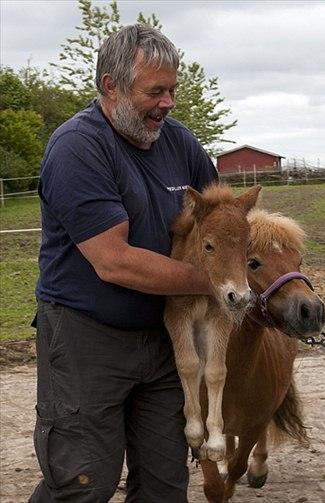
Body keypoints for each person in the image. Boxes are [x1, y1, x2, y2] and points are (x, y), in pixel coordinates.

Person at [30, 24, 218, 502]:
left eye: (173, 90)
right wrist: (220, 283)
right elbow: (115, 262)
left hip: (164, 335)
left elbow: (224, 221)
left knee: (165, 484)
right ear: (110, 86)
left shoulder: (181, 144)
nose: (168, 103)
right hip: (86, 338)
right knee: (82, 482)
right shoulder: (78, 147)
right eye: (155, 91)